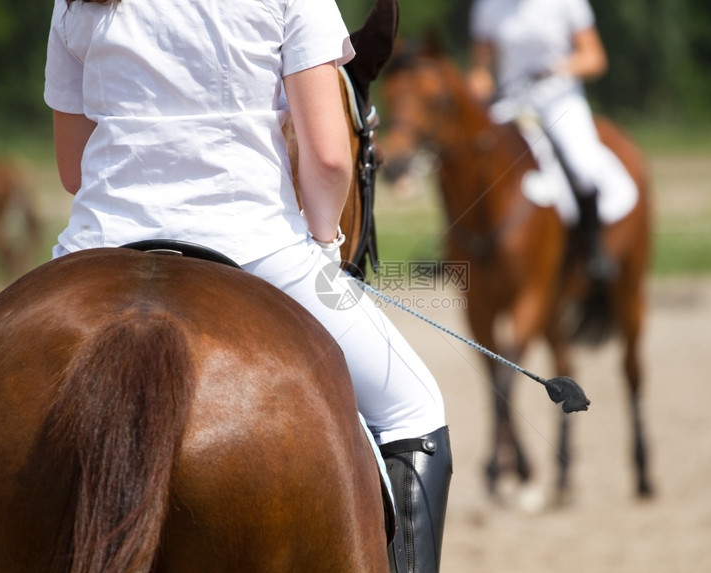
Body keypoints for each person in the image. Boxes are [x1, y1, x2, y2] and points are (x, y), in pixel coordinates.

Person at [44, 0, 451, 570]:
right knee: (414, 406)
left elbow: (72, 167)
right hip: (255, 246)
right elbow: (331, 160)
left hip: (98, 243)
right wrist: (326, 245)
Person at [468, 0, 625, 281]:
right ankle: (465, 247)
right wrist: (478, 86)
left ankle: (593, 248)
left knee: (583, 166)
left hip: (559, 99)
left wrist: (559, 68)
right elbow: (481, 67)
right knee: (475, 160)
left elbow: (594, 58)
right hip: (512, 101)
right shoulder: (488, 6)